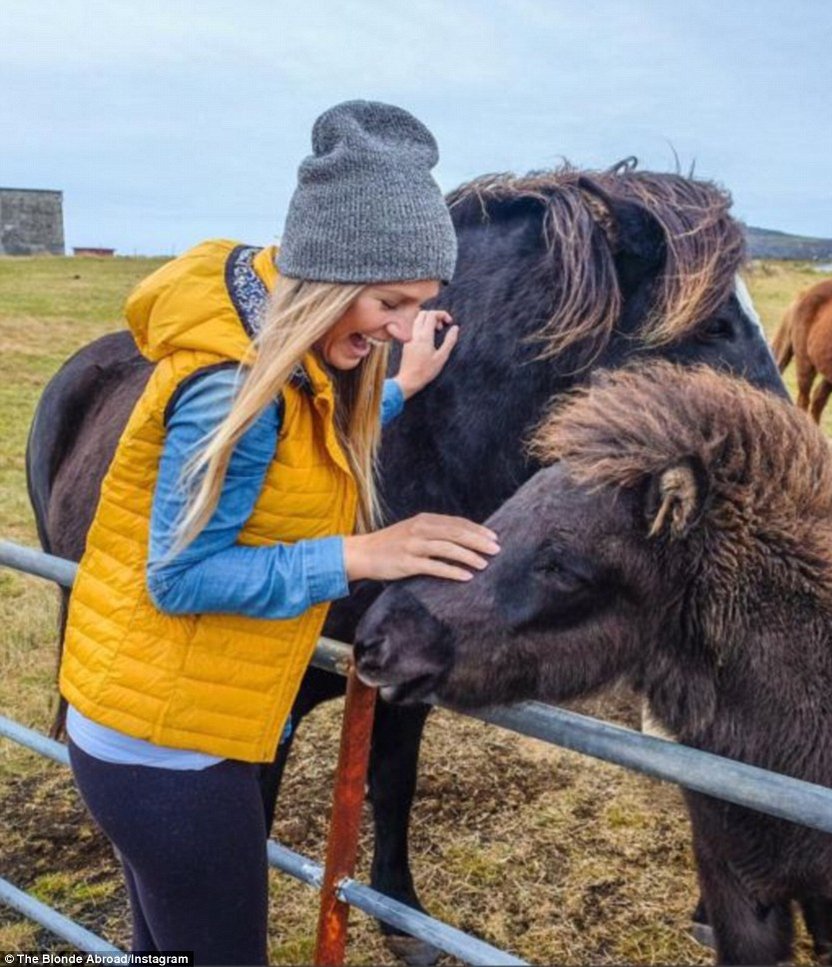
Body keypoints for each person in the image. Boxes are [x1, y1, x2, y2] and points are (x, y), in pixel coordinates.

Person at [58, 100, 499, 965]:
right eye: (391, 301)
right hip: (168, 754)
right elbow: (180, 577)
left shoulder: (274, 346)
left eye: (421, 305)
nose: (403, 327)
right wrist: (363, 553)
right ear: (330, 275)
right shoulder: (235, 389)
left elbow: (303, 438)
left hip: (158, 724)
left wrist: (401, 386)